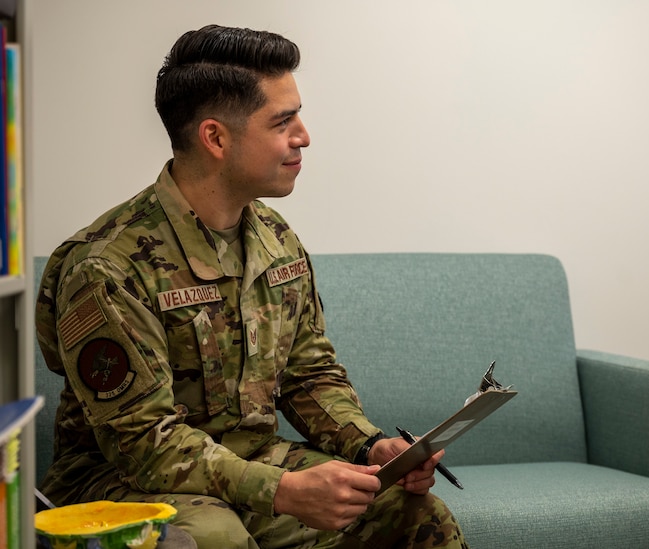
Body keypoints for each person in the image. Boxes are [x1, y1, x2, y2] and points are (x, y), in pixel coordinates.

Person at [35, 24, 468, 549]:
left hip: (250, 464)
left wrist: (370, 446)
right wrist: (284, 490)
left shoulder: (275, 239)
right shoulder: (107, 266)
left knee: (414, 512)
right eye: (283, 122)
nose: (303, 135)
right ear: (215, 138)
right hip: (119, 480)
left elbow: (309, 376)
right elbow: (143, 441)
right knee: (216, 536)